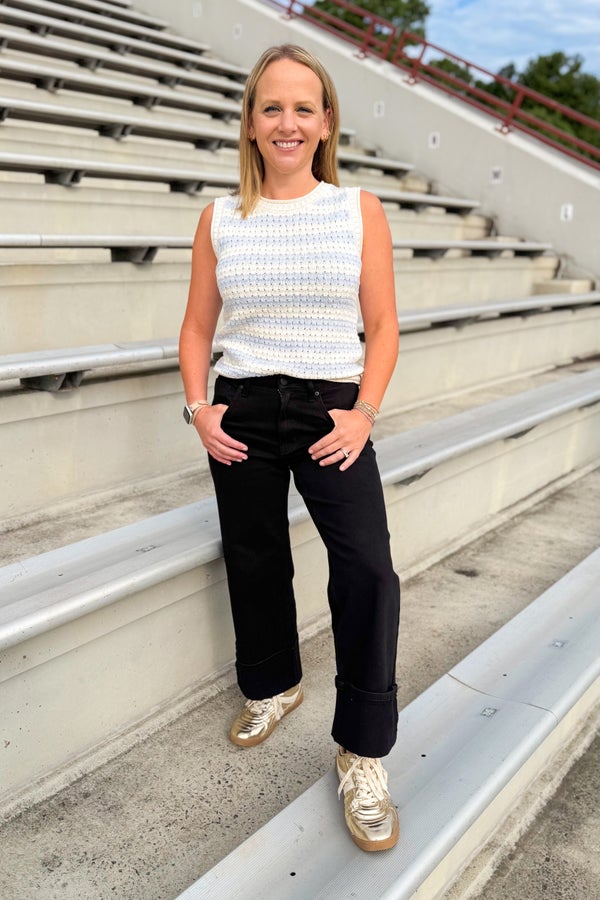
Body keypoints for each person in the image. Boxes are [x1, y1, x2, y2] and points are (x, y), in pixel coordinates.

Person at [179, 44, 401, 852]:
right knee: (256, 554)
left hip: (331, 410)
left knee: (368, 568)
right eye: (271, 107)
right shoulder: (218, 216)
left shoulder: (358, 209)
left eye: (303, 107)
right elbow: (198, 328)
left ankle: (362, 749)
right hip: (240, 408)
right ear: (248, 122)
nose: (287, 122)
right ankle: (274, 685)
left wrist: (364, 412)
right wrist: (201, 408)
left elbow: (382, 326)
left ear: (326, 122)